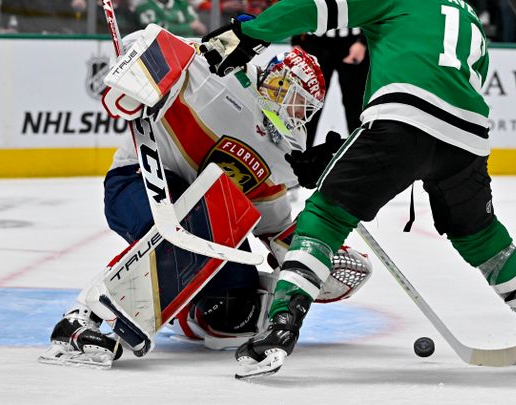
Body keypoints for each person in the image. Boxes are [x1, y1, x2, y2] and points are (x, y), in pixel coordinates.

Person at [200, 0, 516, 378]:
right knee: (484, 237)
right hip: (467, 141)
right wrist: (344, 154)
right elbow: (437, 107)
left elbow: (319, 1)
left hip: (402, 120)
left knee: (325, 215)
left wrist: (253, 31)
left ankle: (279, 328)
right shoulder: (474, 26)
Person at [41, 30, 372, 367]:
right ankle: (80, 317)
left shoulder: (284, 154)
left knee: (235, 310)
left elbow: (274, 227)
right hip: (139, 180)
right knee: (200, 226)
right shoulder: (218, 71)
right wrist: (143, 69)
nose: (294, 108)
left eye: (304, 107)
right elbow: (141, 42)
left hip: (207, 219)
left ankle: (189, 315)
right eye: (292, 94)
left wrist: (316, 249)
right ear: (275, 75)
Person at [292, 0, 376, 147]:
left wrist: (362, 42)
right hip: (318, 44)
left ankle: (358, 164)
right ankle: (302, 162)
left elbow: (375, 9)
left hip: (353, 44)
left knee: (356, 107)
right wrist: (298, 49)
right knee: (309, 105)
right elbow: (299, 9)